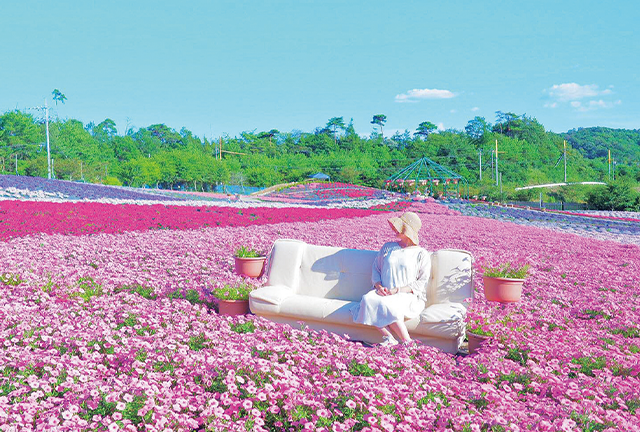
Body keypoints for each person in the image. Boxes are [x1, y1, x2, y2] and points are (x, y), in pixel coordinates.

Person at [352, 212, 431, 346]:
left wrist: (397, 290)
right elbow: (376, 269)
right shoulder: (388, 247)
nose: (394, 229)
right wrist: (379, 286)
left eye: (399, 227)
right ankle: (389, 338)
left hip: (406, 295)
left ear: (407, 230)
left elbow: (421, 282)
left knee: (388, 304)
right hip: (384, 292)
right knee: (367, 299)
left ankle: (408, 343)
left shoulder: (421, 254)